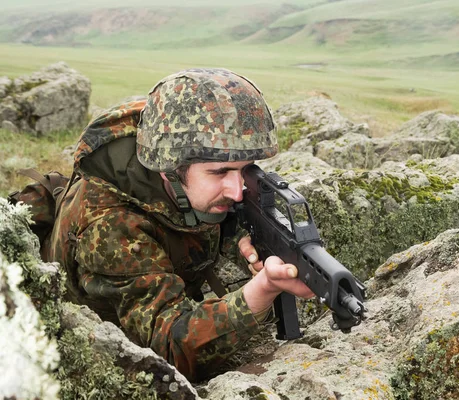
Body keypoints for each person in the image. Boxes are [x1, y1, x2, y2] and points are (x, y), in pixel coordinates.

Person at [44, 68, 313, 381]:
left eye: (246, 170)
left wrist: (244, 240)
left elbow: (221, 213)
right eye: (220, 172)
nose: (237, 190)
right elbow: (172, 349)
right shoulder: (110, 227)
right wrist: (262, 290)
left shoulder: (178, 134)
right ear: (169, 167)